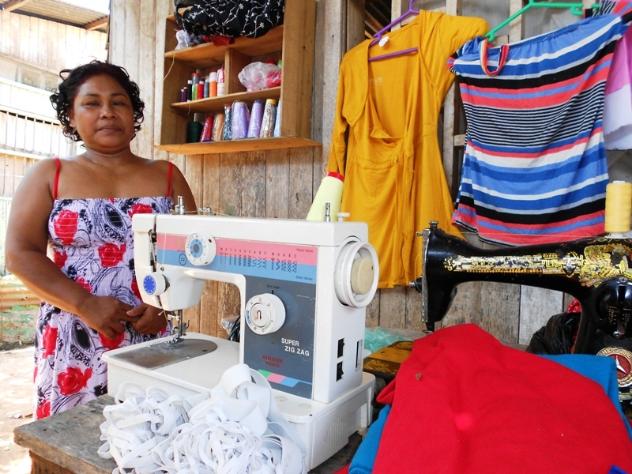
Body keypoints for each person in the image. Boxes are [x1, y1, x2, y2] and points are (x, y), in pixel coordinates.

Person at [4, 60, 197, 419]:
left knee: (150, 431)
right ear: (71, 116)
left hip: (150, 332)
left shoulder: (167, 176)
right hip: (74, 334)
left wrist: (165, 307)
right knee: (72, 435)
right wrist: (85, 304)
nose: (107, 112)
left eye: (118, 102)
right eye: (92, 103)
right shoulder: (50, 175)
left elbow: (192, 252)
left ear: (134, 114)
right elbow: (20, 254)